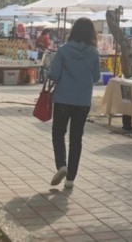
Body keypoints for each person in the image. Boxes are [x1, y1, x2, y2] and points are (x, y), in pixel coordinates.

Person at [47, 17, 101, 190]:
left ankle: (61, 165)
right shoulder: (93, 53)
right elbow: (97, 77)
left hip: (63, 98)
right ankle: (71, 179)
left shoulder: (63, 50)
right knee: (76, 138)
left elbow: (54, 74)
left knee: (58, 133)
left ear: (74, 31)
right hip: (83, 100)